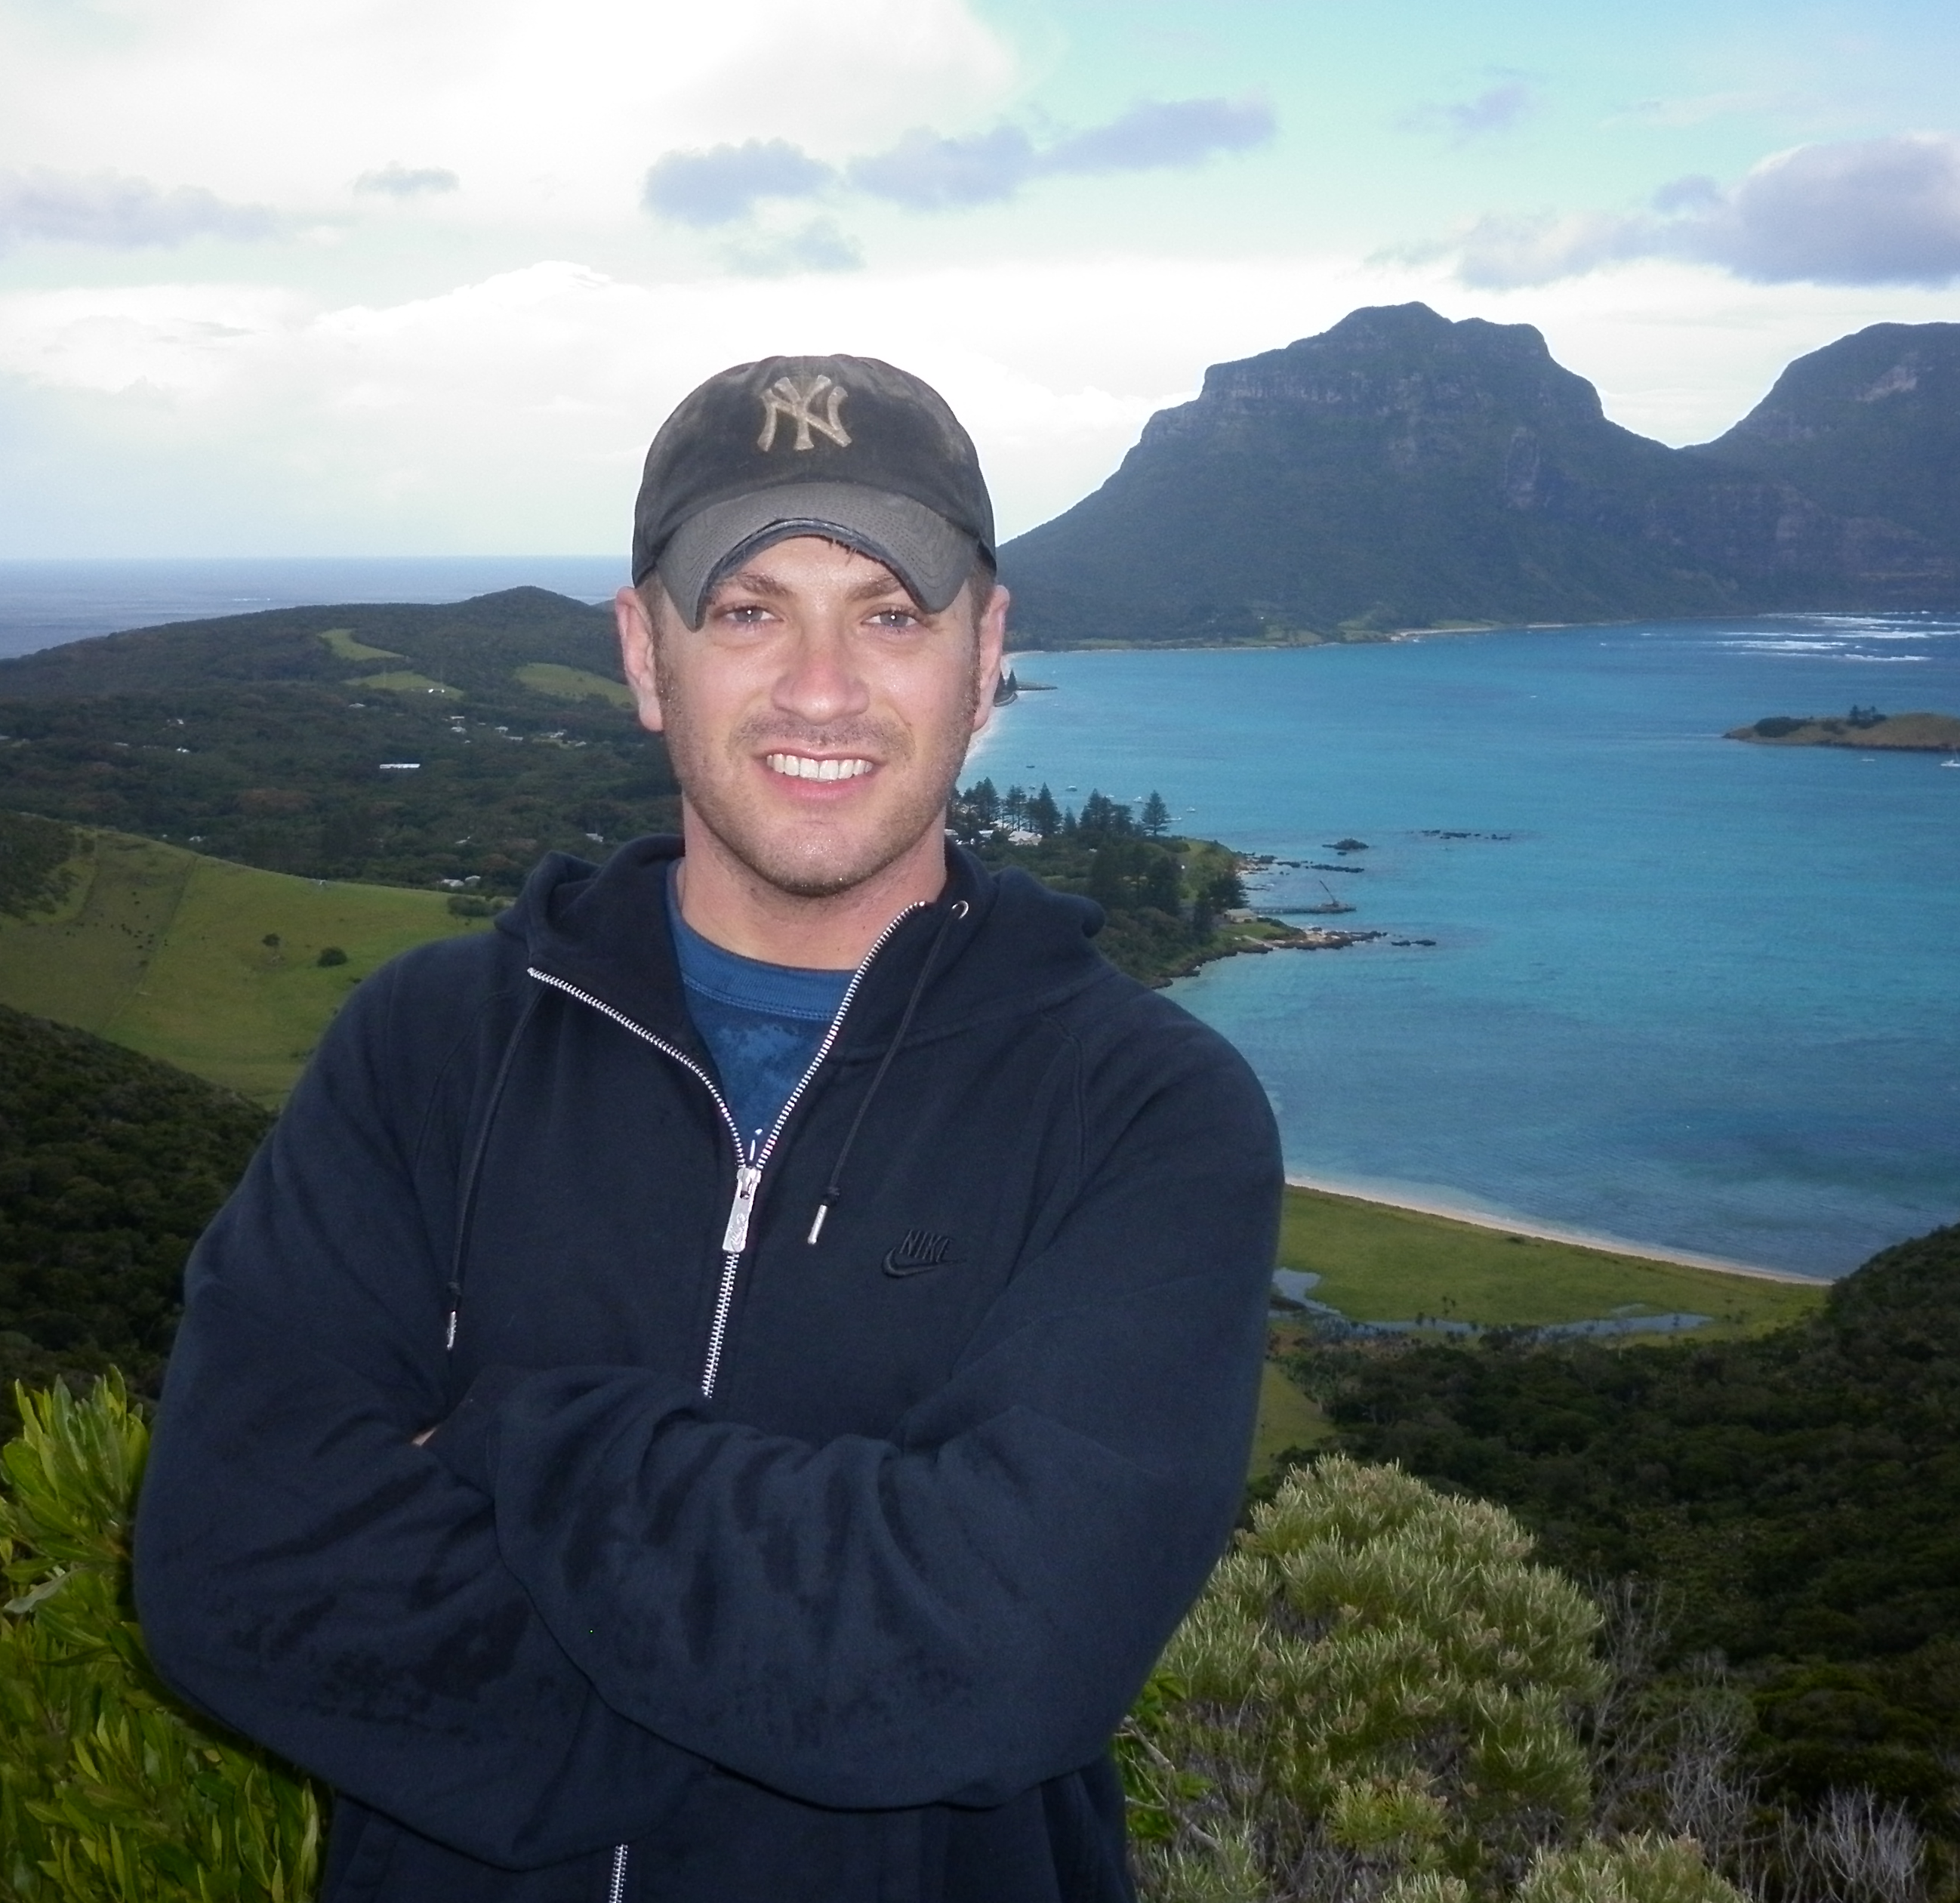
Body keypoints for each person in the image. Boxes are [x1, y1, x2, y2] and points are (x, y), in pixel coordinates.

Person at [134, 353, 1284, 1902]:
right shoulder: (428, 1051)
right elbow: (233, 1571)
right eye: (747, 611)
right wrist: (802, 1699)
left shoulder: (1141, 1111)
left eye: (889, 612)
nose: (820, 689)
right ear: (644, 652)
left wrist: (509, 1442)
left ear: (984, 651)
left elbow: (1000, 1667)